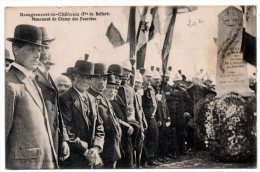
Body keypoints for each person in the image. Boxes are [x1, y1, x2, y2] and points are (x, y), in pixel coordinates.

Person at [6, 24, 57, 169]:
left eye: (39, 49)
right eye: (31, 49)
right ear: (16, 50)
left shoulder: (31, 80)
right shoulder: (8, 84)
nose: (37, 55)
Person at [34, 27, 70, 166]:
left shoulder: (47, 75)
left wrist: (64, 139)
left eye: (47, 47)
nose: (44, 52)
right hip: (39, 144)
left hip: (53, 140)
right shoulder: (31, 75)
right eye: (40, 47)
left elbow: (57, 111)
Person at [59, 60, 105, 168]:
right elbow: (67, 130)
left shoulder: (93, 99)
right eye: (82, 76)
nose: (85, 81)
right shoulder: (65, 99)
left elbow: (100, 126)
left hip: (92, 156)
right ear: (74, 76)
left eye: (89, 78)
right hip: (75, 158)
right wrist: (86, 151)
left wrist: (96, 148)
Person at [88, 63, 122, 168]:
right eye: (99, 79)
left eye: (104, 80)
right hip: (103, 150)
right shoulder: (90, 97)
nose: (102, 82)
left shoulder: (103, 96)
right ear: (91, 79)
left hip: (112, 148)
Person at [108, 64, 135, 168]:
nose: (118, 80)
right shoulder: (109, 93)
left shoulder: (120, 91)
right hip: (117, 132)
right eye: (116, 77)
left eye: (120, 78)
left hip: (124, 131)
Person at [142, 69, 160, 166]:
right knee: (145, 138)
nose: (148, 79)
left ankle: (152, 157)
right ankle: (144, 159)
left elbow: (154, 103)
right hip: (144, 116)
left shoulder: (152, 89)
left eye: (150, 77)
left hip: (152, 116)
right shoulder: (141, 89)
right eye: (147, 77)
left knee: (154, 136)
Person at [134, 70, 148, 168]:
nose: (138, 84)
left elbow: (140, 109)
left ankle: (139, 164)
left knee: (140, 144)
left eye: (140, 82)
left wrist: (144, 122)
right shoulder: (131, 93)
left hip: (140, 123)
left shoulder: (139, 94)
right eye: (137, 82)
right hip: (134, 123)